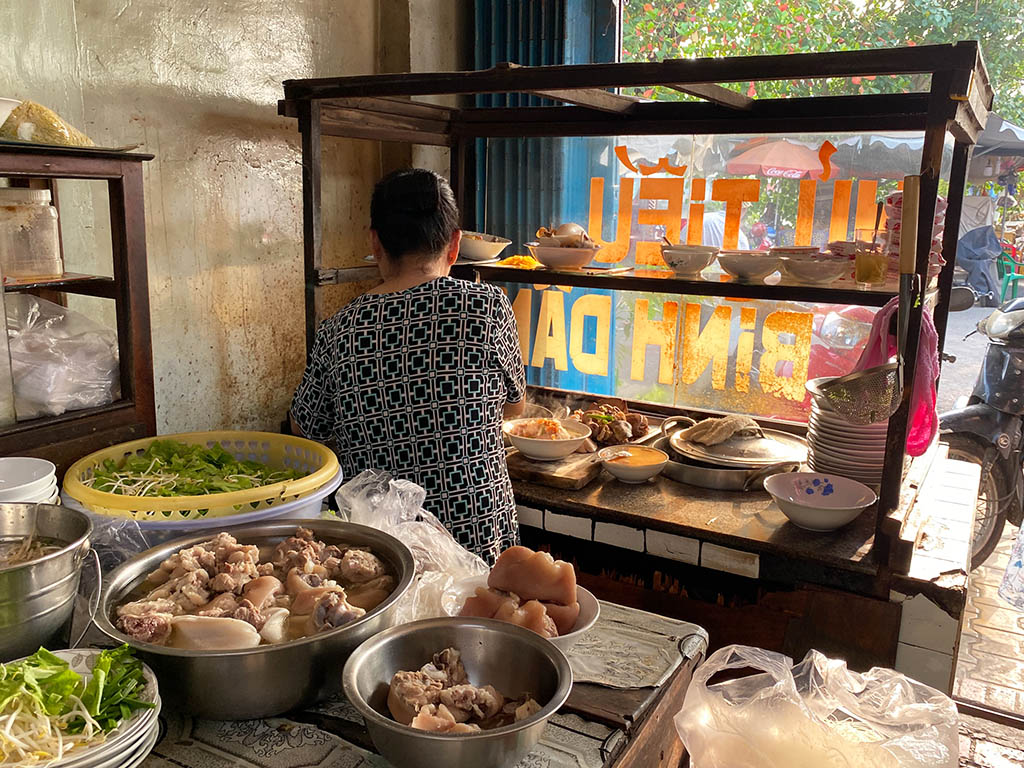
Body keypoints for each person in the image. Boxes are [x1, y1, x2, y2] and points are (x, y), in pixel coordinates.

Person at [290, 168, 526, 563]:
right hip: (476, 539)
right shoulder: (486, 308)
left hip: (383, 551)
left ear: (376, 242)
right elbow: (515, 407)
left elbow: (304, 426)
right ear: (454, 246)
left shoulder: (339, 328)